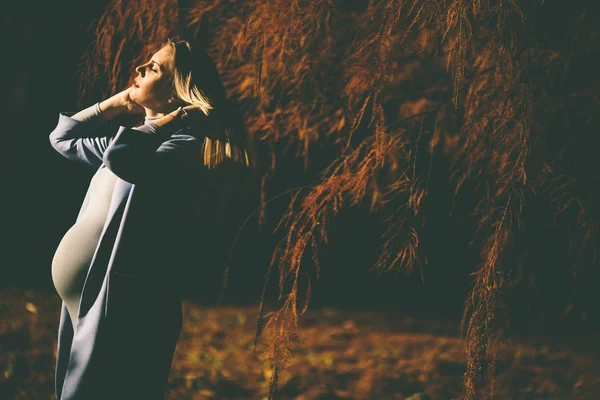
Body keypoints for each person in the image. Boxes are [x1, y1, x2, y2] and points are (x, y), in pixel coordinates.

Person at [49, 38, 253, 399]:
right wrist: (115, 103)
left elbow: (126, 162)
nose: (140, 68)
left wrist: (173, 120)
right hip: (90, 300)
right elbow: (63, 137)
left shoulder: (184, 145)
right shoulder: (132, 142)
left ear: (177, 93)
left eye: (155, 67)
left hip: (128, 303)